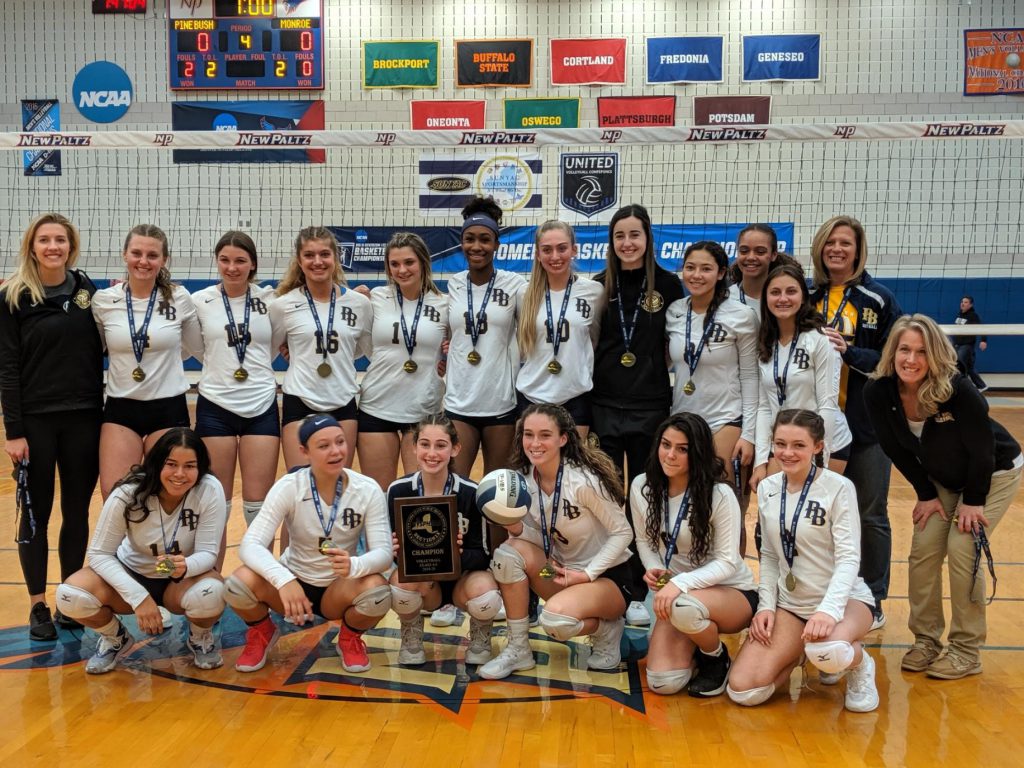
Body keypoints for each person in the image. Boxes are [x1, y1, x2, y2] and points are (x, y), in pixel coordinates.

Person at [865, 314, 1021, 679]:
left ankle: (966, 650)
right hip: (943, 477)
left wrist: (973, 501)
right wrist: (925, 494)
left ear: (935, 355)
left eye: (922, 352)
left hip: (992, 473)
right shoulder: (879, 390)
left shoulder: (957, 390)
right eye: (905, 349)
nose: (911, 359)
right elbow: (895, 448)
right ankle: (926, 641)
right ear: (893, 350)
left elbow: (982, 451)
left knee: (963, 549)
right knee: (924, 550)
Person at [727, 409, 879, 713]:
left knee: (831, 650)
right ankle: (801, 653)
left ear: (818, 447)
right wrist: (767, 606)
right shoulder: (769, 488)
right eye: (780, 444)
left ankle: (859, 663)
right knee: (743, 690)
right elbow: (769, 556)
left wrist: (827, 611)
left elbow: (850, 558)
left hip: (843, 602)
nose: (787, 452)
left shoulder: (838, 488)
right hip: (792, 606)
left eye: (798, 445)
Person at [0, 213, 104, 640]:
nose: (53, 246)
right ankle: (38, 605)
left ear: (71, 246)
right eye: (44, 240)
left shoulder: (87, 291)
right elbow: (7, 367)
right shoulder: (13, 296)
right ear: (32, 246)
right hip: (36, 422)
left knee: (77, 511)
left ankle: (69, 598)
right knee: (35, 513)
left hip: (85, 416)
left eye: (60, 239)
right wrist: (13, 432)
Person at [223, 414, 393, 673]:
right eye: (323, 446)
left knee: (378, 592)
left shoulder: (367, 489)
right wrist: (284, 580)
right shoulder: (290, 486)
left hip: (339, 586)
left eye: (340, 442)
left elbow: (383, 552)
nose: (336, 451)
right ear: (304, 452)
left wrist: (354, 565)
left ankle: (349, 637)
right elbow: (250, 545)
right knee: (237, 584)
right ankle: (262, 631)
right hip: (295, 586)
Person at [54, 428, 227, 674]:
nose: (180, 474)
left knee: (214, 592)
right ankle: (115, 638)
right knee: (70, 596)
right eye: (171, 464)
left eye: (190, 466)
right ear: (157, 464)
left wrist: (186, 565)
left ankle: (200, 637)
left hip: (178, 581)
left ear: (200, 468)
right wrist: (139, 597)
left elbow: (209, 552)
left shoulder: (209, 489)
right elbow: (99, 554)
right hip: (132, 574)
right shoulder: (128, 493)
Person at [480, 404, 633, 680]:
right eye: (528, 435)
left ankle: (607, 629)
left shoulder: (583, 481)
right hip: (561, 573)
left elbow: (623, 533)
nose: (535, 443)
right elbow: (543, 537)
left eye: (545, 435)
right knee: (507, 554)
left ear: (563, 438)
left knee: (556, 621)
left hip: (607, 578)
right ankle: (518, 649)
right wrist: (514, 526)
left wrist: (587, 573)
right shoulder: (524, 482)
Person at [591, 204, 684, 627]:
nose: (627, 243)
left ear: (648, 239)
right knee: (610, 499)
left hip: (651, 407)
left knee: (647, 497)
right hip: (606, 405)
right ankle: (617, 582)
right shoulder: (597, 287)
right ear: (612, 243)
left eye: (635, 235)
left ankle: (648, 585)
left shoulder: (669, 286)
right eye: (620, 236)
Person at [808, 215, 902, 629]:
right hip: (813, 430)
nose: (837, 250)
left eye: (845, 243)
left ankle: (874, 597)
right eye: (830, 242)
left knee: (869, 514)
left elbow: (896, 360)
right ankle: (820, 592)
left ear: (857, 249)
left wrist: (849, 352)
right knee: (816, 513)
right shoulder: (807, 295)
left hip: (867, 427)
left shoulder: (877, 299)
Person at [631, 413, 757, 697]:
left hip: (731, 591)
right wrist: (655, 568)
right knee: (663, 682)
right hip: (679, 594)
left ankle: (715, 657)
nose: (670, 455)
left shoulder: (720, 495)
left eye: (682, 449)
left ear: (697, 452)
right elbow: (644, 540)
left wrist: (679, 584)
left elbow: (728, 562)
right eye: (666, 445)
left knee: (684, 608)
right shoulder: (642, 485)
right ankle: (697, 645)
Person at [92, 224, 202, 499]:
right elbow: (92, 351)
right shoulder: (104, 301)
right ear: (125, 255)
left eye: (152, 255)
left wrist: (163, 359)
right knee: (116, 497)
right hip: (121, 408)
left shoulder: (179, 298)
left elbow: (197, 349)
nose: (143, 261)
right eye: (136, 253)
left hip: (168, 407)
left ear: (164, 260)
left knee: (168, 495)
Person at [193, 232, 280, 563]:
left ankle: (261, 577)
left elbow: (276, 342)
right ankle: (210, 578)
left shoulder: (270, 301)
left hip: (260, 405)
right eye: (225, 260)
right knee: (217, 500)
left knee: (260, 504)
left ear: (253, 264)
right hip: (216, 405)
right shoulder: (200, 300)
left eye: (240, 260)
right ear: (217, 261)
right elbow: (195, 345)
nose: (232, 267)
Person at [387, 414, 501, 666]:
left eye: (441, 445)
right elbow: (393, 554)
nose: (432, 453)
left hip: (462, 580)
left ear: (455, 448)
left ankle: (481, 636)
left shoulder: (471, 492)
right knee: (399, 586)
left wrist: (455, 552)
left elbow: (483, 555)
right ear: (414, 447)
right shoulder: (399, 491)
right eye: (425, 444)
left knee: (487, 594)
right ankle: (411, 636)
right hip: (425, 583)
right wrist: (396, 551)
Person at [666, 240, 758, 550]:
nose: (696, 275)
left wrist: (750, 433)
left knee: (726, 506)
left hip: (725, 421)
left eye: (706, 268)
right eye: (690, 267)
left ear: (721, 273)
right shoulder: (675, 312)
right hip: (682, 423)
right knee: (687, 506)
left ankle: (737, 584)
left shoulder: (742, 316)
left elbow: (750, 375)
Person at [271, 227, 370, 475]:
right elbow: (270, 348)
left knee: (337, 484)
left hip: (343, 402)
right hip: (299, 401)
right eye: (309, 255)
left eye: (324, 254)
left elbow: (361, 350)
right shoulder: (283, 306)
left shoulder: (359, 304)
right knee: (300, 485)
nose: (317, 262)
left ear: (335, 258)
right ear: (299, 260)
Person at [357, 232, 449, 491]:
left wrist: (447, 360)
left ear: (422, 263)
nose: (402, 270)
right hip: (377, 406)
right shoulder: (375, 298)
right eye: (394, 264)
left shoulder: (444, 304)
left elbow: (458, 349)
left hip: (422, 410)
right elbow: (356, 339)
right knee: (378, 495)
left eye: (409, 262)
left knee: (420, 495)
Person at [443, 197, 526, 477]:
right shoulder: (453, 285)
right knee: (455, 488)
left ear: (496, 244)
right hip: (459, 402)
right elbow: (441, 332)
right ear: (461, 242)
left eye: (484, 239)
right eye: (469, 239)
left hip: (500, 403)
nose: (476, 246)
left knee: (500, 495)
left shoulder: (515, 284)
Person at [751, 264, 852, 490]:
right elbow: (764, 407)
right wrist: (760, 461)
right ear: (765, 298)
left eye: (791, 291)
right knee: (773, 517)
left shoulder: (821, 339)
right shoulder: (766, 342)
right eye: (775, 292)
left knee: (814, 519)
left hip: (823, 443)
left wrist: (819, 461)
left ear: (803, 297)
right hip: (785, 443)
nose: (783, 298)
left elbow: (827, 403)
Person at [515, 221, 604, 438]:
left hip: (575, 396)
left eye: (562, 248)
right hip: (531, 395)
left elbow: (594, 339)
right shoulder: (523, 294)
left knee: (573, 469)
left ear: (574, 249)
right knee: (532, 469)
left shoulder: (594, 292)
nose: (555, 256)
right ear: (537, 254)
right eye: (547, 250)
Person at [728, 223, 782, 314]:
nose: (751, 257)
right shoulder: (724, 299)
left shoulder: (785, 299)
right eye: (744, 251)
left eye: (760, 252)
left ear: (773, 255)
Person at [952, 295, 988, 391]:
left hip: (966, 345)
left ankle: (963, 388)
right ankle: (982, 386)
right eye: (962, 302)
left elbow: (981, 328)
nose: (962, 303)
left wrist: (983, 340)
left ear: (971, 305)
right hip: (957, 345)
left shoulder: (973, 316)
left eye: (965, 302)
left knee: (958, 365)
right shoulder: (959, 315)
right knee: (969, 368)